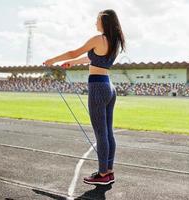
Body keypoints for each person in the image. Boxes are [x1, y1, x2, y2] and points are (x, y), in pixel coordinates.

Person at [44, 9, 125, 185]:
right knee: (108, 132)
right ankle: (108, 171)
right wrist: (72, 63)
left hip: (97, 87)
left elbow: (74, 52)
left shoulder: (98, 39)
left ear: (104, 21)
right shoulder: (113, 41)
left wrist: (52, 60)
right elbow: (91, 59)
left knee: (101, 134)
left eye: (97, 20)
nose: (95, 23)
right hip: (108, 86)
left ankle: (102, 174)